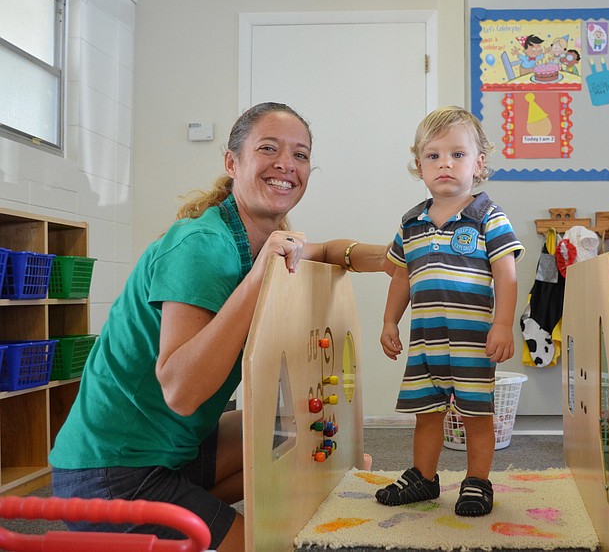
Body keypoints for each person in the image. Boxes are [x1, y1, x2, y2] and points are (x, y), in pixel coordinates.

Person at [49, 102, 391, 552]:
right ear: (232, 162)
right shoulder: (205, 246)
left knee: (299, 435)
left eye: (301, 155)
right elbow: (182, 391)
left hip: (170, 453)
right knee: (271, 544)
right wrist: (255, 280)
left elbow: (329, 251)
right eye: (268, 148)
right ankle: (168, 524)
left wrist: (394, 258)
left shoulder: (258, 241)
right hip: (112, 475)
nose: (287, 164)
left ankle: (190, 515)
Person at [376, 106, 524, 517]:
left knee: (477, 416)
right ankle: (424, 477)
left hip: (473, 342)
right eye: (434, 155)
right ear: (419, 165)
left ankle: (477, 482)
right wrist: (390, 320)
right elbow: (401, 278)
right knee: (427, 413)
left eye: (458, 154)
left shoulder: (488, 218)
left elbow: (506, 275)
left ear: (479, 163)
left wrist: (503, 325)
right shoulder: (410, 224)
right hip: (426, 342)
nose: (445, 164)